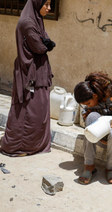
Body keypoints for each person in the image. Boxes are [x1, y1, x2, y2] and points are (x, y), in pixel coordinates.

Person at [0, 0, 56, 157]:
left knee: (37, 108)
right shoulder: (27, 23)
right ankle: (19, 146)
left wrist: (47, 43)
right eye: (46, 4)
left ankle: (33, 145)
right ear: (37, 4)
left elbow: (46, 41)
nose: (49, 8)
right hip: (30, 73)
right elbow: (41, 46)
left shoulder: (36, 20)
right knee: (28, 109)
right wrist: (47, 44)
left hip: (38, 71)